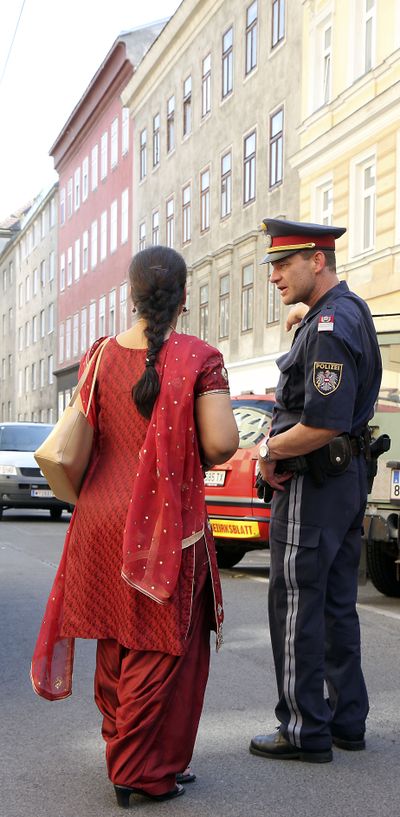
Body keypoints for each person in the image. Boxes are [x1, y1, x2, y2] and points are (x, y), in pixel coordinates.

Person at [31, 246, 239, 806]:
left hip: (98, 519)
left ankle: (127, 751)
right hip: (164, 524)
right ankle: (138, 768)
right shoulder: (200, 357)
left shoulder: (98, 356)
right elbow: (221, 443)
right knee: (162, 646)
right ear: (185, 297)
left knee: (115, 636)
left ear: (130, 294)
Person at [249, 218, 382, 763]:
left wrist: (268, 450)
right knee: (334, 605)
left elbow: (321, 423)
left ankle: (304, 729)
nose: (275, 275)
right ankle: (346, 719)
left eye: (284, 264)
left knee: (297, 604)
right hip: (345, 481)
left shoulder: (329, 326)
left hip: (314, 482)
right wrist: (306, 317)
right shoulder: (346, 312)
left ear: (317, 261)